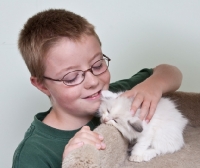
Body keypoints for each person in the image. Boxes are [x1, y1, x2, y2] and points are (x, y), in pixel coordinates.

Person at [12, 9, 182, 168]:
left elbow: (170, 71)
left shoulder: (116, 98)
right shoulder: (33, 154)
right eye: (71, 77)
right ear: (42, 85)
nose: (93, 81)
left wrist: (153, 86)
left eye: (98, 64)